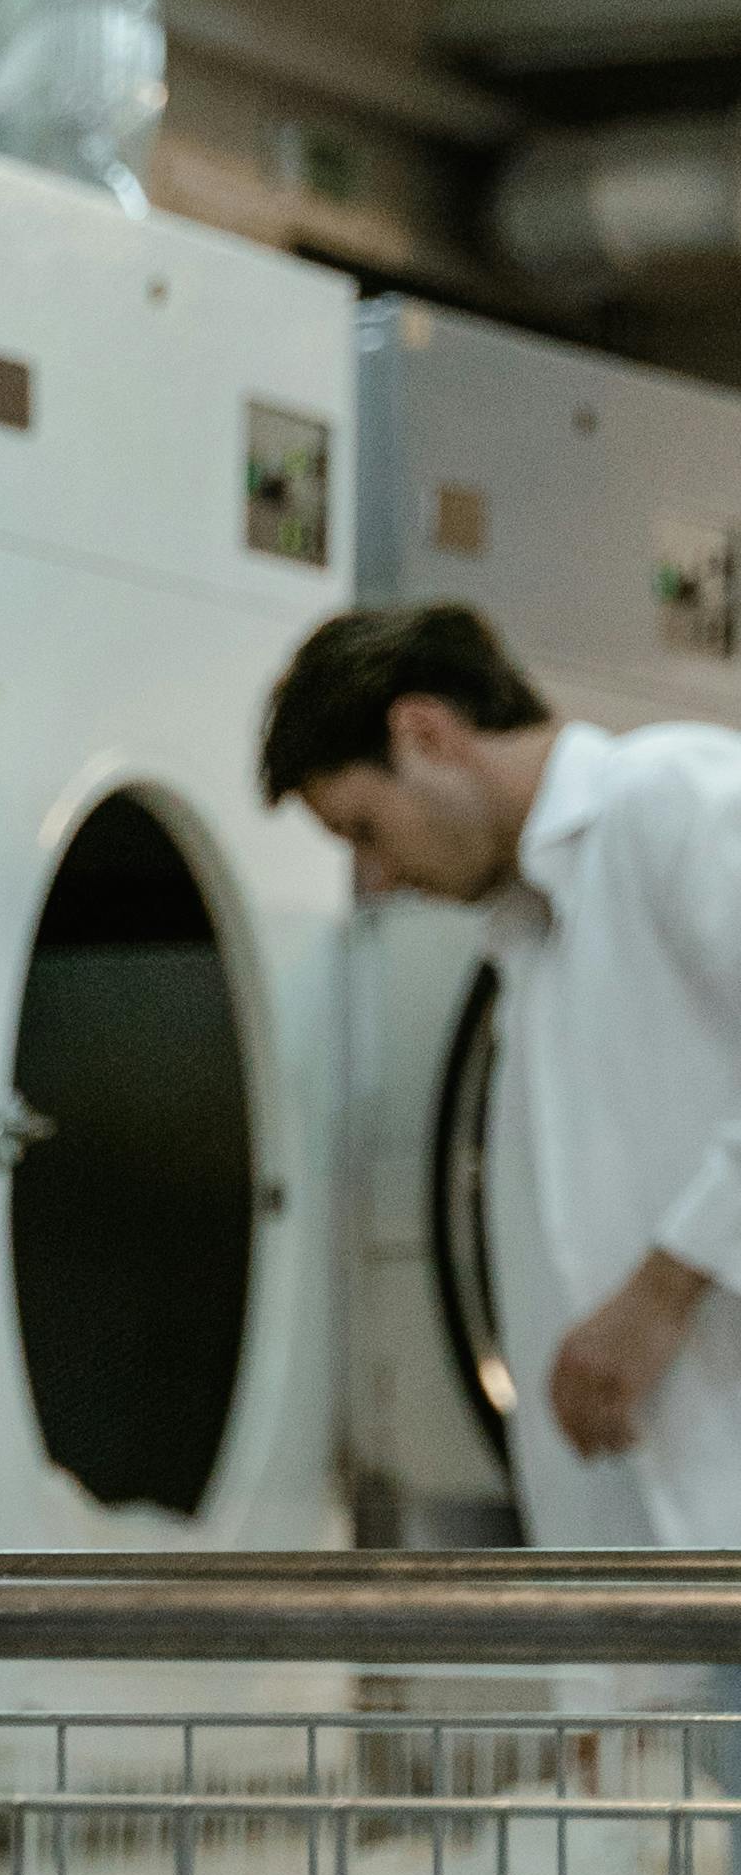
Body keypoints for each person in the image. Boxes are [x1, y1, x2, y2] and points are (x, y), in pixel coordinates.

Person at [260, 593, 741, 1536]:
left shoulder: (677, 799)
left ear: (426, 732)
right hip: (662, 1562)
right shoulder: (528, 939)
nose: (379, 876)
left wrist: (658, 1294)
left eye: (364, 826)